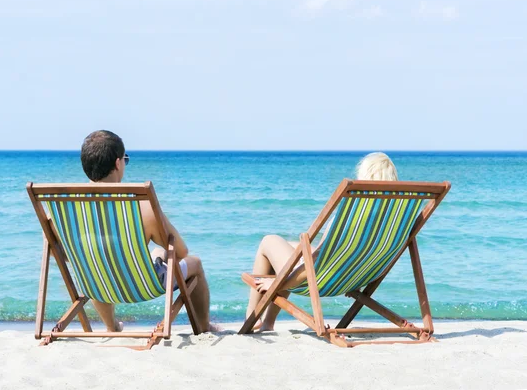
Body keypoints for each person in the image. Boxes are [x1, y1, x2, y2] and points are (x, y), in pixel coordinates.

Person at [80, 130, 219, 333]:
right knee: (194, 262)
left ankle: (112, 327)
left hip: (95, 283)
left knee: (95, 266)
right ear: (118, 163)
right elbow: (181, 252)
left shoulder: (58, 208)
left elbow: (63, 255)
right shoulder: (141, 206)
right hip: (142, 286)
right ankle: (204, 326)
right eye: (125, 160)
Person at [245, 152, 399, 331]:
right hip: (349, 279)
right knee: (295, 249)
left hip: (319, 279)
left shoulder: (350, 216)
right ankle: (268, 323)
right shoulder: (395, 219)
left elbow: (317, 260)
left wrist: (277, 283)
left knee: (269, 241)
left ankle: (251, 316)